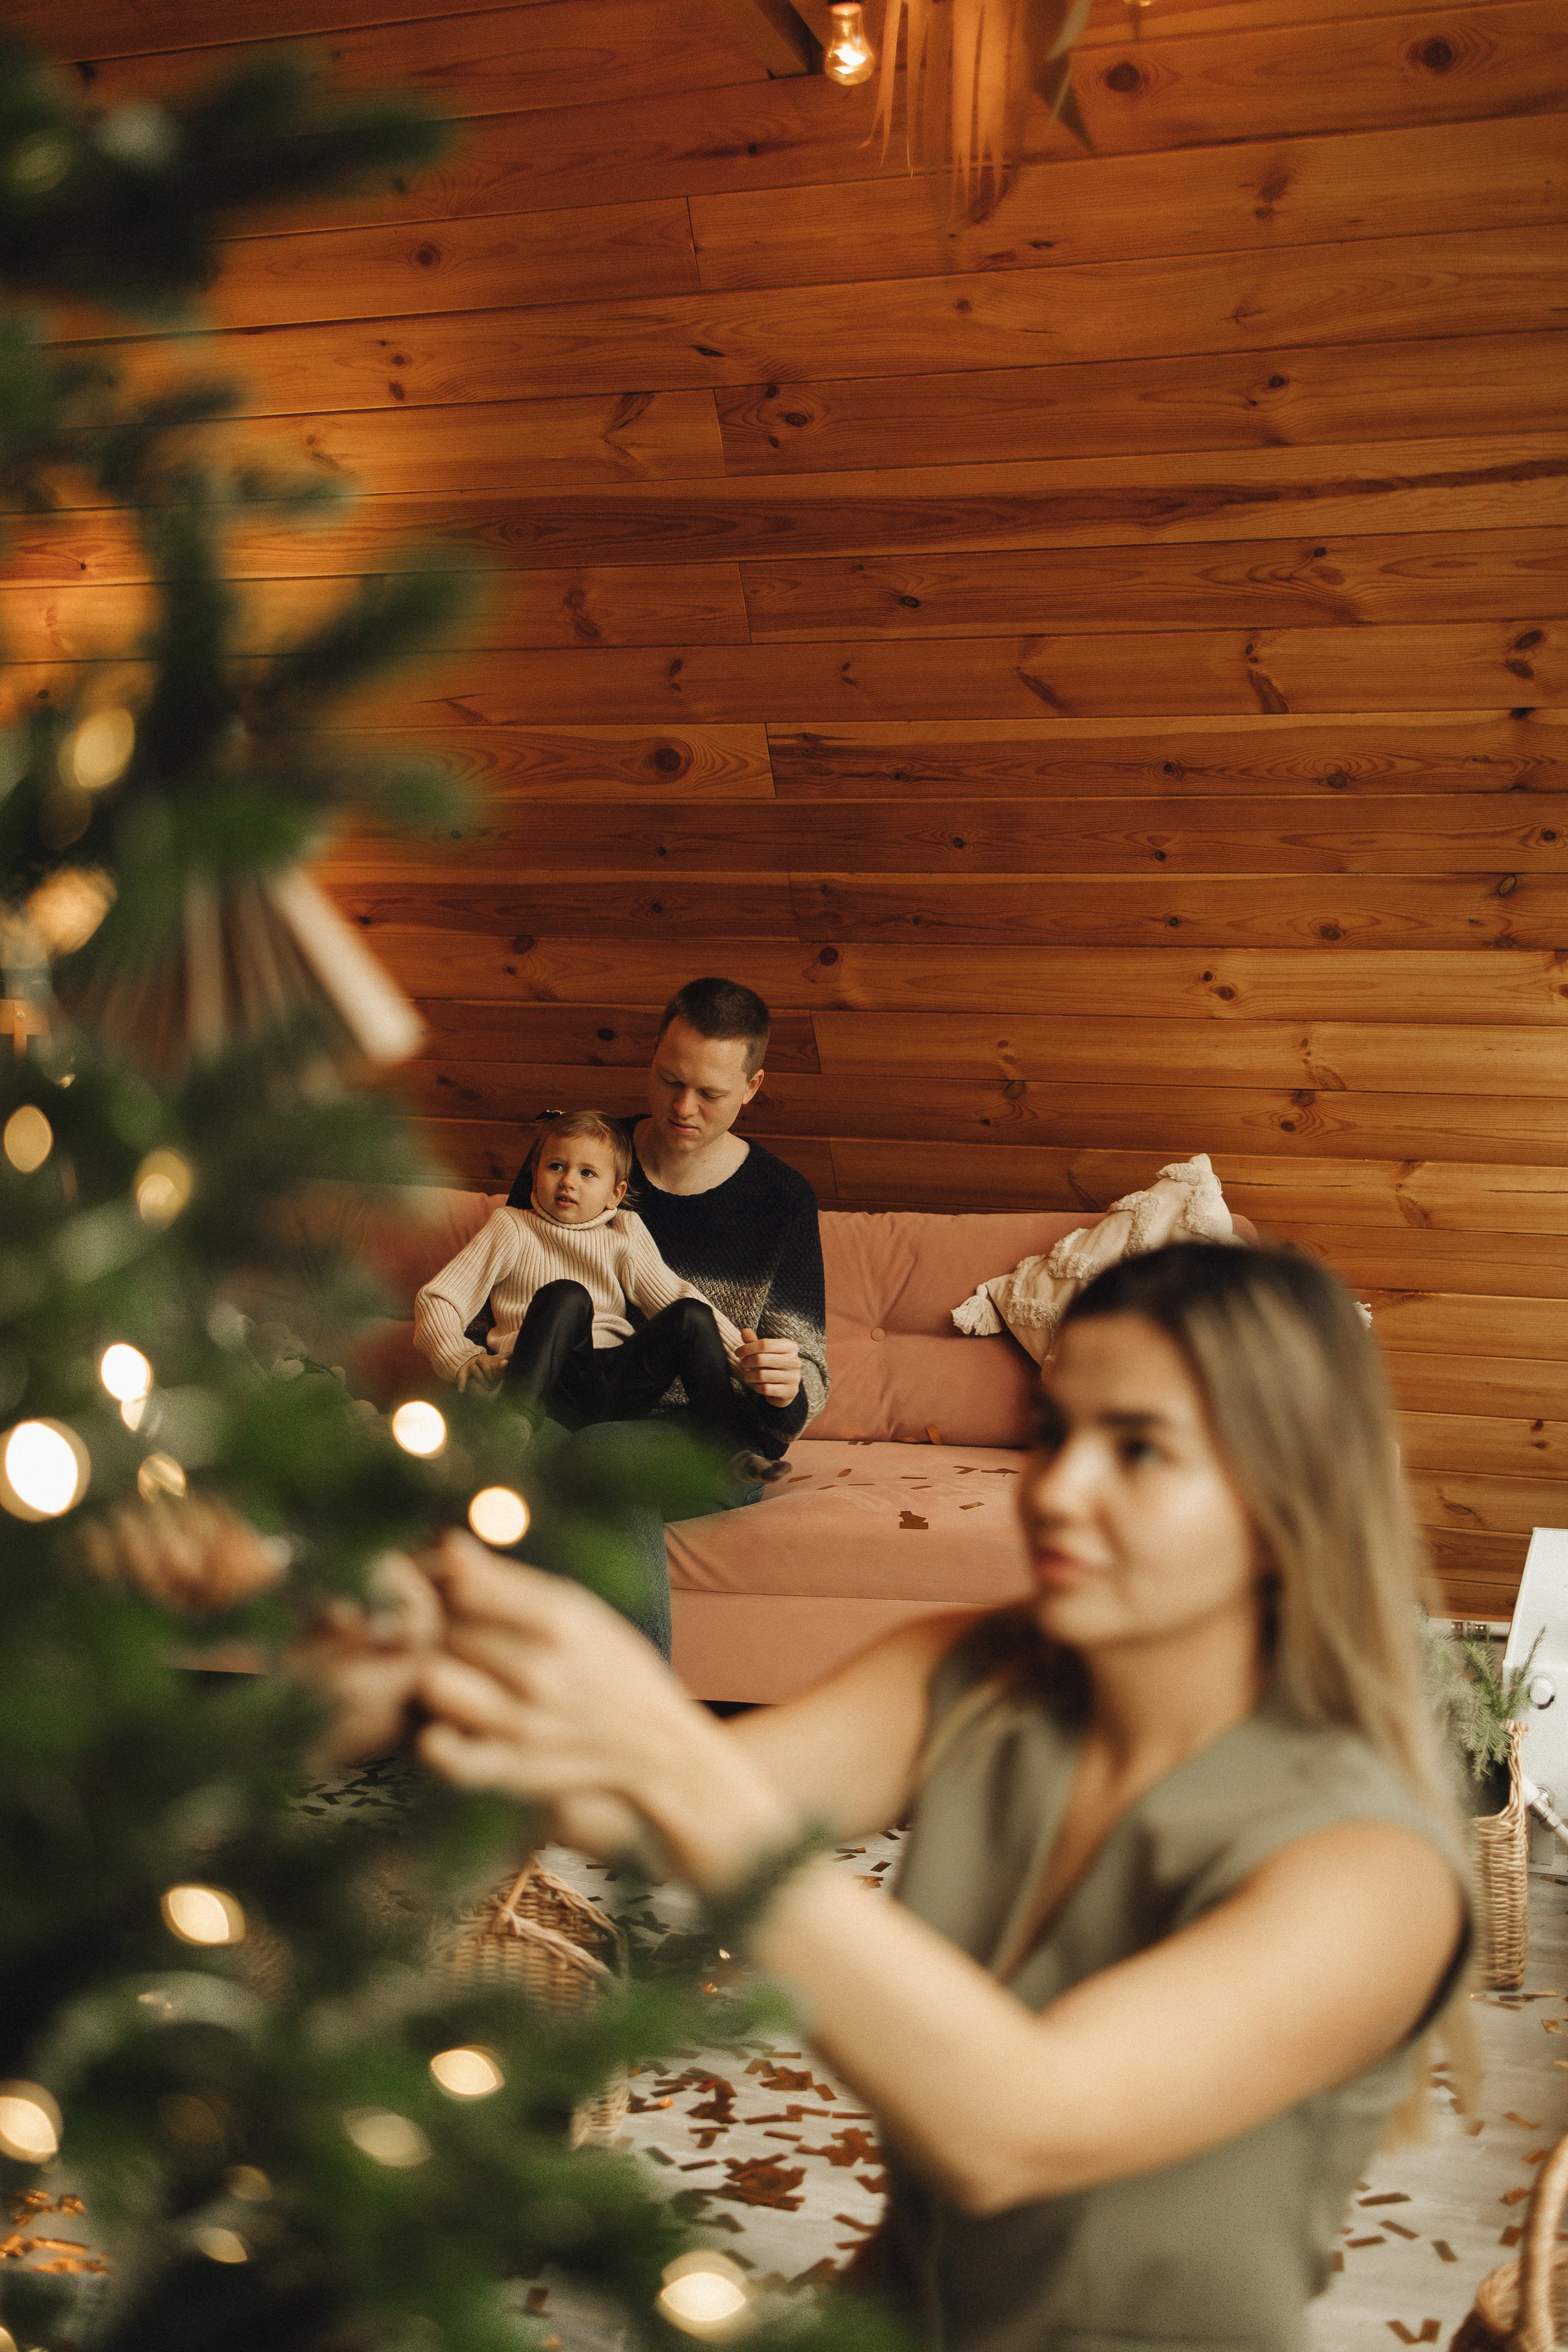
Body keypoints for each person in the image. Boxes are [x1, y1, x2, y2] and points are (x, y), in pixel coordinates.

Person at [393, 1241, 1472, 2352]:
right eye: (1055, 1435)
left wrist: (666, 1751)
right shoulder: (986, 1670)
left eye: (1140, 1449)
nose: (1058, 1491)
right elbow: (617, 1809)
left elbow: (1012, 2126)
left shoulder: (1377, 1870)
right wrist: (390, 1639)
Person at [494, 977, 827, 1654]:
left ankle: (633, 1731)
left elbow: (808, 1367)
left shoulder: (782, 1200)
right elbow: (494, 1302)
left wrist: (788, 1381)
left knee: (599, 1457)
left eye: (710, 1094)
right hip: (565, 1402)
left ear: (752, 1086)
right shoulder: (576, 1158)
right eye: (669, 1079)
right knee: (523, 1461)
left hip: (705, 1436)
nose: (683, 1108)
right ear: (652, 1057)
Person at [413, 1109, 783, 1474]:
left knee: (691, 1314)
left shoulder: (625, 1231)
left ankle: (725, 1448)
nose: (568, 1181)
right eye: (556, 1166)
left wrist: (749, 1365)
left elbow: (674, 1296)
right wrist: (460, 1357)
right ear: (534, 1173)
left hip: (617, 1381)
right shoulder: (511, 1227)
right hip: (547, 1379)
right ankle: (511, 1428)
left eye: (587, 1173)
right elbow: (439, 1298)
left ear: (615, 1193)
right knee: (568, 1294)